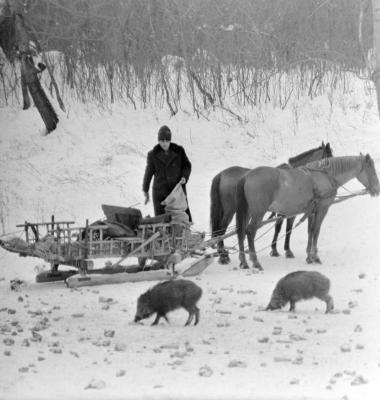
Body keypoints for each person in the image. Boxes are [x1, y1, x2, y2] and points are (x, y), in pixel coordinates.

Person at [142, 125, 192, 222]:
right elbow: (148, 173)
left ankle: (184, 236)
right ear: (159, 141)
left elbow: (187, 165)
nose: (164, 143)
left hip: (177, 192)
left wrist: (184, 177)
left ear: (170, 140)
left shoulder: (179, 151)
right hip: (161, 193)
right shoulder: (152, 155)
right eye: (162, 141)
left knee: (181, 219)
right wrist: (145, 189)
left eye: (166, 141)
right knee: (162, 223)